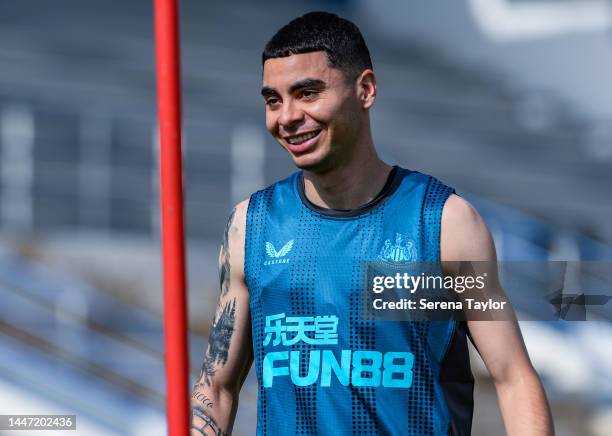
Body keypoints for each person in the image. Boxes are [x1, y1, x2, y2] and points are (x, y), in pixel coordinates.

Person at [191, 11, 553, 436]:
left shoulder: (443, 224)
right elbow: (216, 386)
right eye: (273, 99)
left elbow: (513, 377)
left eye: (308, 93)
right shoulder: (250, 226)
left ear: (365, 89)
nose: (286, 116)